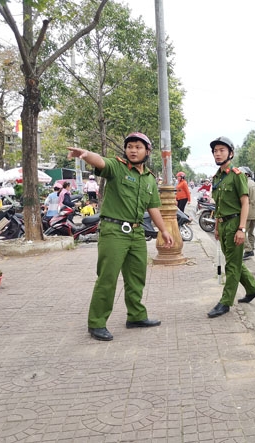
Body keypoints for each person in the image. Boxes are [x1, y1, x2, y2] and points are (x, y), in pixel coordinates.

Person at [67, 132, 174, 341]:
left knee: (137, 277)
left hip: (137, 232)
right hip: (114, 231)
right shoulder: (117, 168)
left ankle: (136, 316)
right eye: (130, 146)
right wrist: (86, 154)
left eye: (138, 147)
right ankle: (97, 322)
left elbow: (153, 208)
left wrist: (164, 230)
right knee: (108, 277)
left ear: (147, 152)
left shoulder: (150, 179)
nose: (133, 150)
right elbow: (101, 162)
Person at [206, 136, 255, 318]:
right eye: (215, 151)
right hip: (222, 225)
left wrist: (241, 229)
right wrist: (216, 226)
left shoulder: (237, 175)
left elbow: (245, 203)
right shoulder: (217, 177)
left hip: (234, 224)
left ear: (230, 153)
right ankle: (253, 289)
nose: (218, 153)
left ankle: (225, 302)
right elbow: (218, 204)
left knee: (232, 266)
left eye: (222, 150)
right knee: (234, 261)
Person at [239, 166, 255, 260]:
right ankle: (251, 248)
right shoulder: (254, 184)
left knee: (242, 232)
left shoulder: (244, 184)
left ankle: (248, 250)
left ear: (246, 174)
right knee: (251, 232)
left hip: (248, 213)